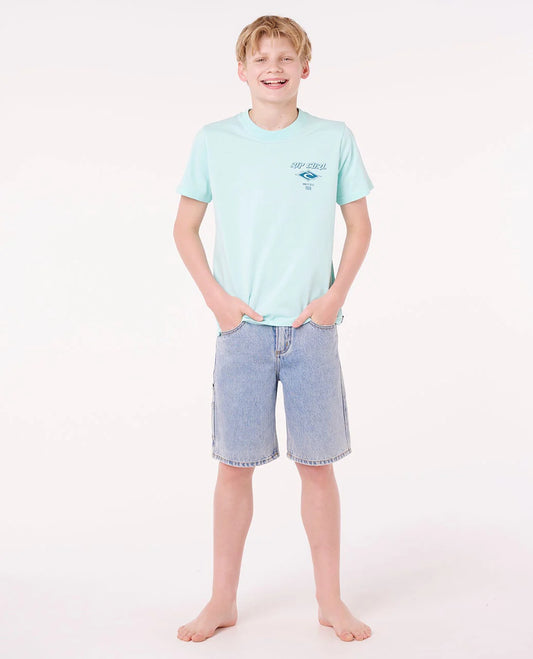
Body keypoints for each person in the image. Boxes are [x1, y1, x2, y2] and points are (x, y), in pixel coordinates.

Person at [173, 15, 374, 643]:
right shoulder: (214, 141)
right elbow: (184, 228)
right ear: (242, 70)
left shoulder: (333, 138)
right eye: (260, 58)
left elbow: (360, 226)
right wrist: (218, 302)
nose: (274, 68)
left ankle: (330, 601)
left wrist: (334, 298)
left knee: (317, 467)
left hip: (313, 331)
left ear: (305, 67)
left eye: (286, 57)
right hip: (244, 334)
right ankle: (222, 600)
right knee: (235, 467)